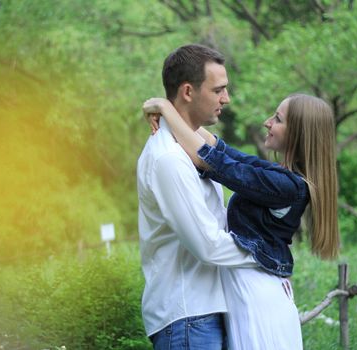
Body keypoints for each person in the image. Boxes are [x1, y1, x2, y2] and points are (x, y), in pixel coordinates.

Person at [143, 93, 340, 350]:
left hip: (258, 301)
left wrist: (166, 109)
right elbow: (223, 152)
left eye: (278, 119)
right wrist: (175, 113)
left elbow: (215, 162)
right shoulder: (281, 175)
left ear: (299, 134)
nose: (267, 122)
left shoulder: (287, 187)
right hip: (251, 292)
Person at [137, 44, 258, 349]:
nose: (226, 99)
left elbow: (233, 162)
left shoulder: (193, 150)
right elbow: (208, 245)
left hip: (204, 312)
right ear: (188, 91)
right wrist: (267, 254)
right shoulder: (168, 158)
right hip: (187, 317)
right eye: (218, 90)